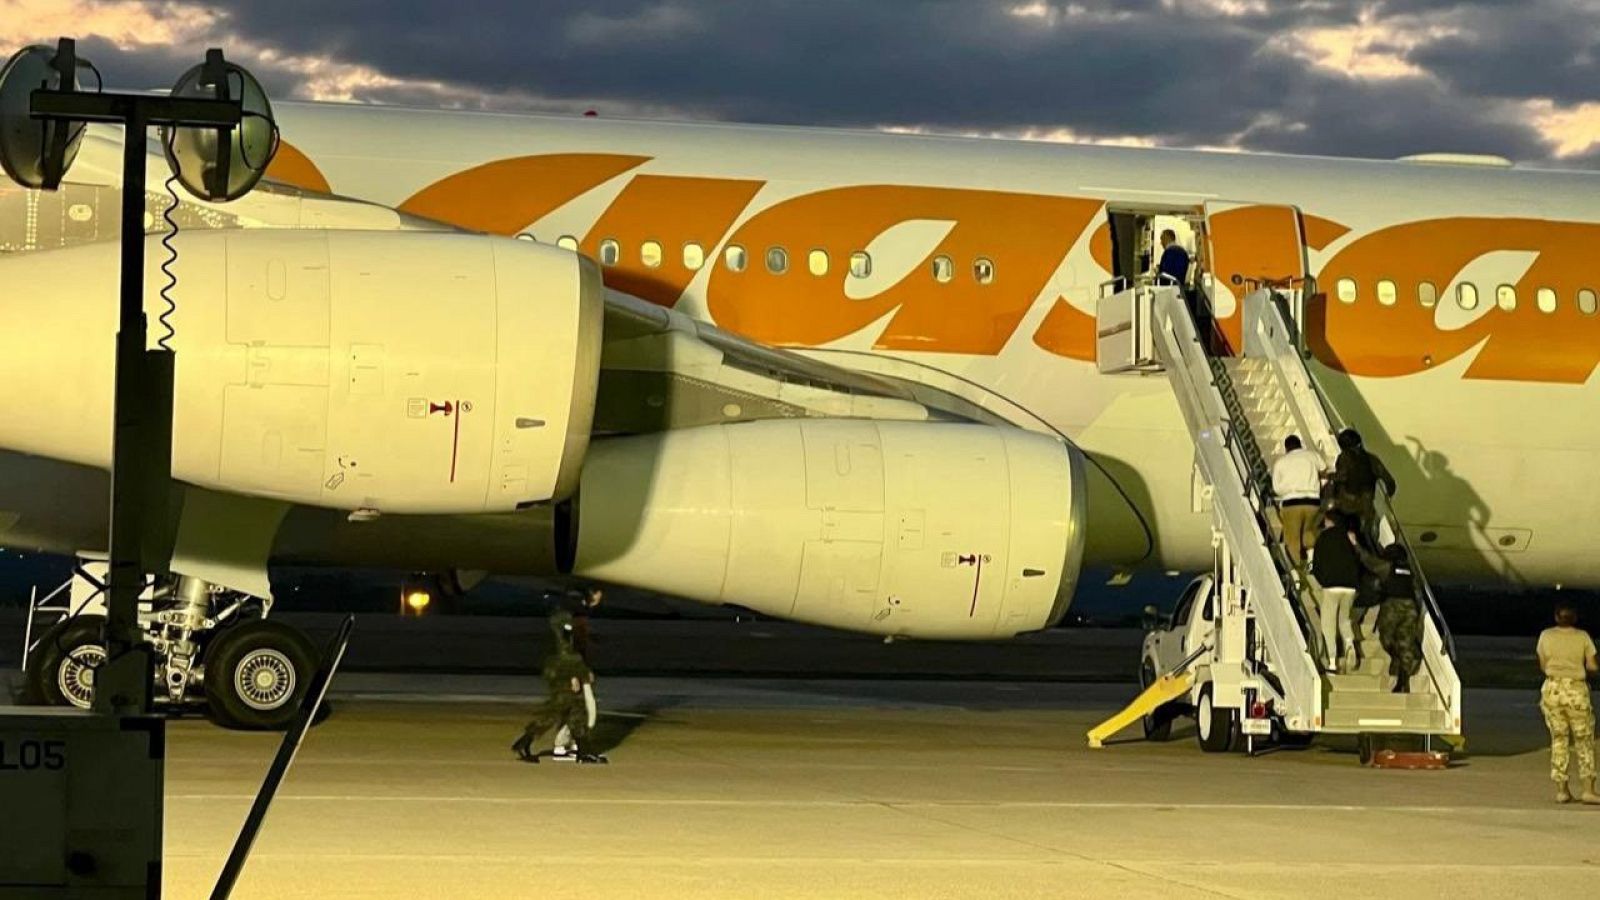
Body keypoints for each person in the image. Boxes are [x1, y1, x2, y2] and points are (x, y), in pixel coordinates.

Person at [511, 611, 606, 764]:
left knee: (574, 712)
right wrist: (577, 674)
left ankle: (583, 751)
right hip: (563, 674)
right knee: (557, 711)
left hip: (560, 672)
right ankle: (524, 743)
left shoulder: (559, 628)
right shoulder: (563, 629)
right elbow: (566, 654)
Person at [1536, 604, 1598, 804]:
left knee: (1559, 739)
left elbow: (1543, 663)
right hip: (1575, 690)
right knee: (1584, 740)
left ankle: (1562, 790)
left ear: (1556, 617)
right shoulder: (1583, 637)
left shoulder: (1546, 636)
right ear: (1575, 618)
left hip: (1553, 689)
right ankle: (1588, 789)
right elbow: (1592, 665)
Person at [1350, 538, 1421, 693]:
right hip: (1410, 608)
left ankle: (1398, 665)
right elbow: (1416, 590)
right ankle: (1403, 678)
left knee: (1386, 639)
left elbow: (1369, 561)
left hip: (1393, 606)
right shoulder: (1410, 571)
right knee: (1405, 642)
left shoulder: (1388, 566)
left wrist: (1356, 544)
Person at [1310, 512, 1361, 672]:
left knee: (1328, 623)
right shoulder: (1349, 536)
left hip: (1332, 586)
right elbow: (1358, 557)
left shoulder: (1323, 538)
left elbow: (1316, 564)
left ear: (1328, 522)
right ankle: (1349, 644)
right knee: (1344, 619)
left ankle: (1332, 663)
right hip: (1350, 586)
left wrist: (1323, 580)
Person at [1330, 429, 1396, 544]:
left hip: (1347, 504)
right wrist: (1388, 496)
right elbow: (1389, 481)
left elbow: (1342, 476)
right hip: (1366, 505)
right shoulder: (1371, 459)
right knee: (1365, 535)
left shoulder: (1344, 457)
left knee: (1342, 531)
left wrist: (1328, 476)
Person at [1271, 435, 1325, 567]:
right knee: (1308, 534)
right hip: (1313, 502)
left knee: (1293, 540)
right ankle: (1314, 562)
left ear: (1286, 448)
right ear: (1300, 444)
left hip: (1291, 504)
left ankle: (1296, 572)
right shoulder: (1312, 456)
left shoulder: (1281, 462)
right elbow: (1323, 470)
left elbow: (1277, 488)